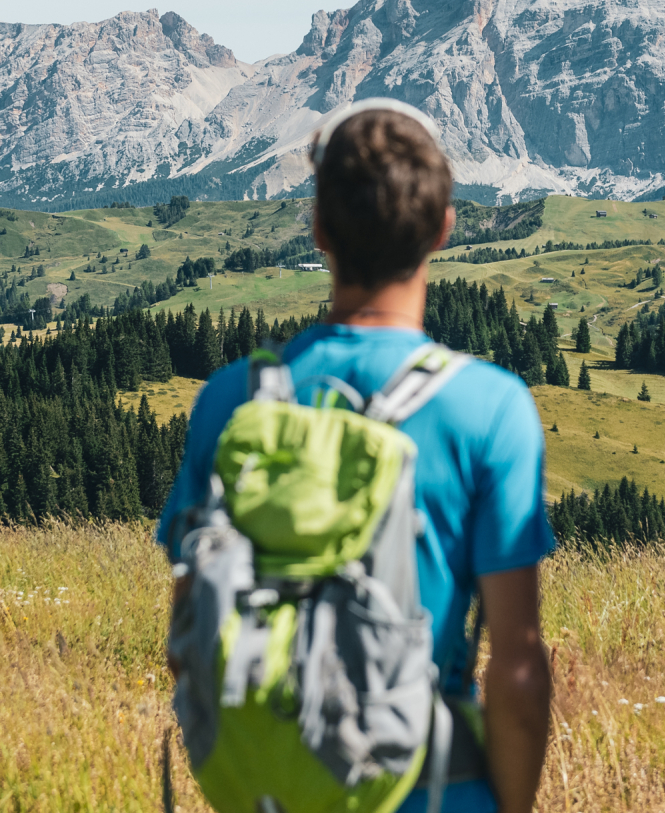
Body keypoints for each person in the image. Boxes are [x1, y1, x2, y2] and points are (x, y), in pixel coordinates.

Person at [157, 99, 555, 813]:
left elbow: (188, 623)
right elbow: (518, 667)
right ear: (443, 229)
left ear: (318, 230)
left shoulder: (229, 400)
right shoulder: (491, 407)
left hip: (270, 789)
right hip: (434, 786)